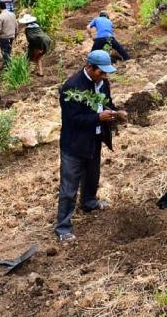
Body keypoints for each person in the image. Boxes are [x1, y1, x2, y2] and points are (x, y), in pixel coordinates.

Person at [55, 50, 127, 242]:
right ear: (89, 67)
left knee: (92, 176)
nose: (104, 76)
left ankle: (89, 202)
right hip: (74, 143)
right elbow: (73, 118)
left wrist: (115, 112)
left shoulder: (103, 83)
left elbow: (107, 103)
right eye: (100, 72)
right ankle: (63, 227)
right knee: (69, 186)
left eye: (105, 73)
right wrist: (98, 117)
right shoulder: (71, 87)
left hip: (94, 139)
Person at [0, 1, 18, 67]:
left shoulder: (0, 17)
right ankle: (7, 65)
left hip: (4, 37)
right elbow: (16, 26)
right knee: (9, 51)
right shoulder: (12, 14)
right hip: (12, 36)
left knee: (5, 53)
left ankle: (10, 66)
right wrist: (15, 35)